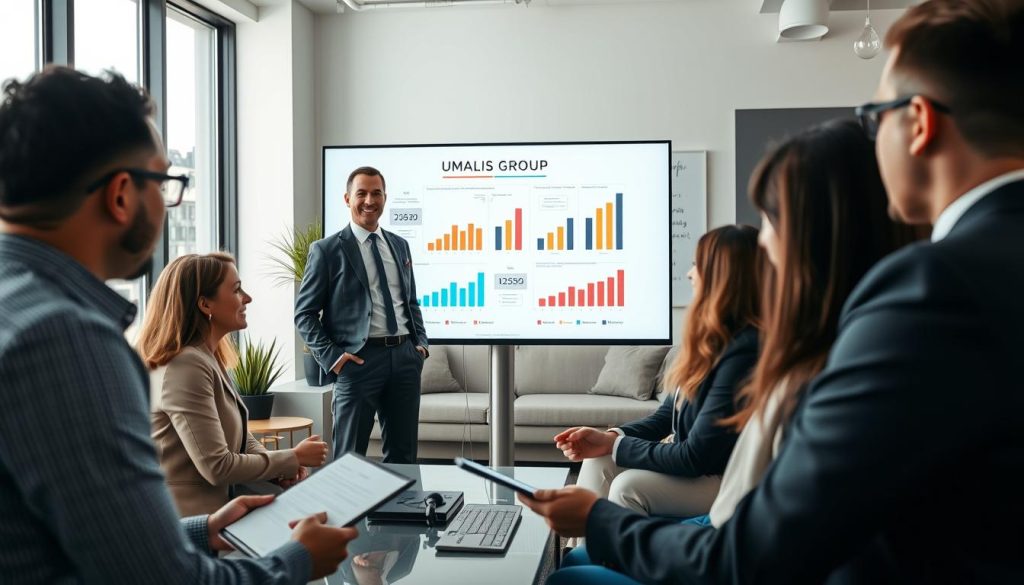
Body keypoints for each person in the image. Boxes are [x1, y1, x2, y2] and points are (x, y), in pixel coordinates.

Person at [521, 1, 1024, 583]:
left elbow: (754, 555)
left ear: (918, 123)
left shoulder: (927, 292)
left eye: (872, 115)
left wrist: (600, 521)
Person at [0, 66, 355, 583]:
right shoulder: (64, 340)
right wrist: (298, 560)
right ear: (121, 194)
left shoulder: (19, 307)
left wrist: (199, 530)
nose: (170, 205)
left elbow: (72, 535)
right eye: (165, 183)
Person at [551, 119, 923, 582]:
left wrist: (599, 520)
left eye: (770, 220)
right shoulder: (833, 354)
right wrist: (612, 443)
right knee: (578, 559)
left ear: (816, 242)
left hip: (726, 548)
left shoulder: (807, 373)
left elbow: (740, 550)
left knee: (572, 574)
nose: (762, 241)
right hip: (726, 538)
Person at [554, 225, 761, 526]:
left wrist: (613, 445)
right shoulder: (710, 342)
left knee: (628, 487)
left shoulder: (742, 354)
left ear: (723, 276)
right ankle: (584, 553)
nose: (690, 274)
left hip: (721, 477)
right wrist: (612, 437)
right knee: (597, 460)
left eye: (697, 265)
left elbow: (695, 457)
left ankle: (620, 565)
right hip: (699, 469)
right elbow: (665, 418)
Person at [139, 252, 330, 516]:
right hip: (191, 525)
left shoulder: (207, 357)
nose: (247, 298)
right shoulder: (185, 367)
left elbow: (240, 438)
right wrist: (293, 458)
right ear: (205, 304)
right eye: (237, 290)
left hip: (222, 513)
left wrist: (280, 471)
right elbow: (216, 466)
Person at [295, 166, 429, 463]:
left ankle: (401, 512)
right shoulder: (327, 250)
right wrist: (334, 358)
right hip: (358, 362)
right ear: (347, 198)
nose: (369, 200)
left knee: (404, 457)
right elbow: (304, 314)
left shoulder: (399, 245)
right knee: (348, 458)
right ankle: (347, 513)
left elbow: (410, 301)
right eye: (362, 193)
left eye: (376, 193)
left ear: (385, 197)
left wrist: (419, 346)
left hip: (405, 359)